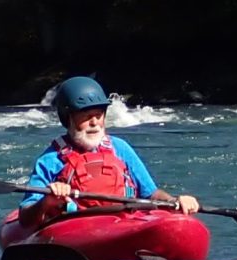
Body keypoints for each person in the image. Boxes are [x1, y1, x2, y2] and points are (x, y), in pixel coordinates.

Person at [19, 76, 198, 226]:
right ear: (68, 118)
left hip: (122, 223)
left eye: (99, 115)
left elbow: (151, 194)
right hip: (75, 226)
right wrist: (48, 201)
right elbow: (25, 219)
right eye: (86, 117)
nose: (94, 123)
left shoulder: (120, 148)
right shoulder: (51, 160)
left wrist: (174, 201)